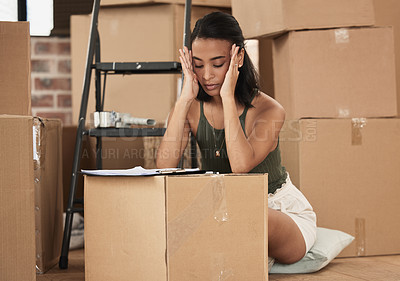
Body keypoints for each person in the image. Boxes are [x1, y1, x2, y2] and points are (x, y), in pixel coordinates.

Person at [156, 11, 317, 265]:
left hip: (276, 211)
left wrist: (228, 97)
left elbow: (240, 167)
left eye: (217, 64)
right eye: (198, 65)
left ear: (238, 57)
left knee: (250, 215)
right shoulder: (191, 107)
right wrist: (185, 98)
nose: (206, 75)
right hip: (221, 210)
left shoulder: (269, 110)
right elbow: (163, 166)